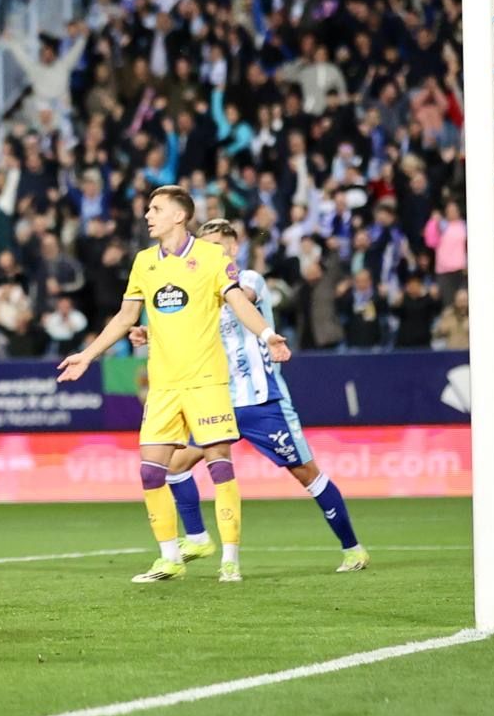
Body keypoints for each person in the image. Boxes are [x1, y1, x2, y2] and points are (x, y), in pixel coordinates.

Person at [56, 186, 289, 584]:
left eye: (156, 209)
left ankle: (230, 558)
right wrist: (88, 354)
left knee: (219, 466)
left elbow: (238, 302)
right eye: (148, 209)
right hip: (163, 384)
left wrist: (268, 335)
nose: (148, 215)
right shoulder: (145, 262)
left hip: (205, 381)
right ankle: (169, 558)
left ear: (179, 216)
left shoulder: (212, 257)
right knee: (150, 472)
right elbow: (125, 316)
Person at [129, 220, 366, 573]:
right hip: (214, 398)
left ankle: (353, 548)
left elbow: (240, 300)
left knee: (307, 474)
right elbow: (190, 322)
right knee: (174, 468)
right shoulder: (199, 285)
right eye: (203, 243)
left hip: (260, 401)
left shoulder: (249, 279)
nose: (208, 250)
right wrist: (154, 330)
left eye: (216, 244)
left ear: (233, 248)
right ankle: (197, 538)